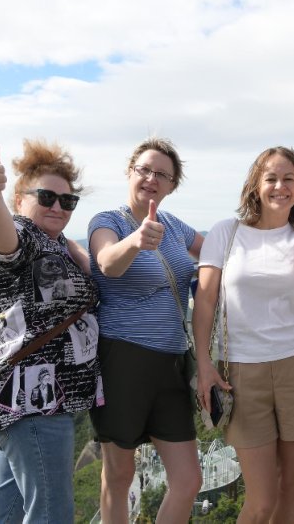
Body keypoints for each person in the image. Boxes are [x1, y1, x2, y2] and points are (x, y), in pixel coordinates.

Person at [192, 146, 294, 523]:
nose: (280, 186)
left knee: (290, 482)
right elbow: (204, 301)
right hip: (240, 372)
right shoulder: (225, 233)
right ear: (255, 184)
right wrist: (203, 364)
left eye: (289, 179)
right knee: (262, 499)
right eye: (271, 178)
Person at [0, 139, 100, 523]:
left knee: (2, 513)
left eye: (68, 201)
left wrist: (78, 253)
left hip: (32, 403)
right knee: (52, 513)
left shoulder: (55, 243)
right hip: (34, 403)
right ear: (19, 198)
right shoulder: (23, 236)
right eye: (47, 196)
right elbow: (1, 239)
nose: (58, 207)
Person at [88, 136, 204, 523]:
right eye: (144, 169)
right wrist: (136, 241)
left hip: (171, 364)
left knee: (188, 480)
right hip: (123, 359)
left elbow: (219, 252)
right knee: (119, 474)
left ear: (172, 185)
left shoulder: (174, 227)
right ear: (130, 172)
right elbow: (107, 262)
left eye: (162, 174)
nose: (151, 178)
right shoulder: (109, 221)